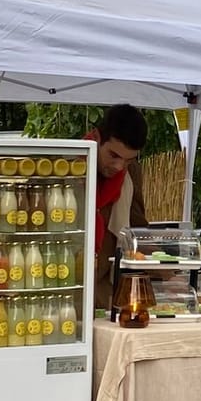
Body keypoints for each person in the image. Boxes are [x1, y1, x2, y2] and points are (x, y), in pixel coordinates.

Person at [86, 104, 149, 298]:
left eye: (128, 160)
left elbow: (137, 225)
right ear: (97, 137)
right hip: (71, 282)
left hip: (107, 288)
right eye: (113, 155)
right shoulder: (68, 165)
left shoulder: (131, 172)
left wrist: (164, 269)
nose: (119, 166)